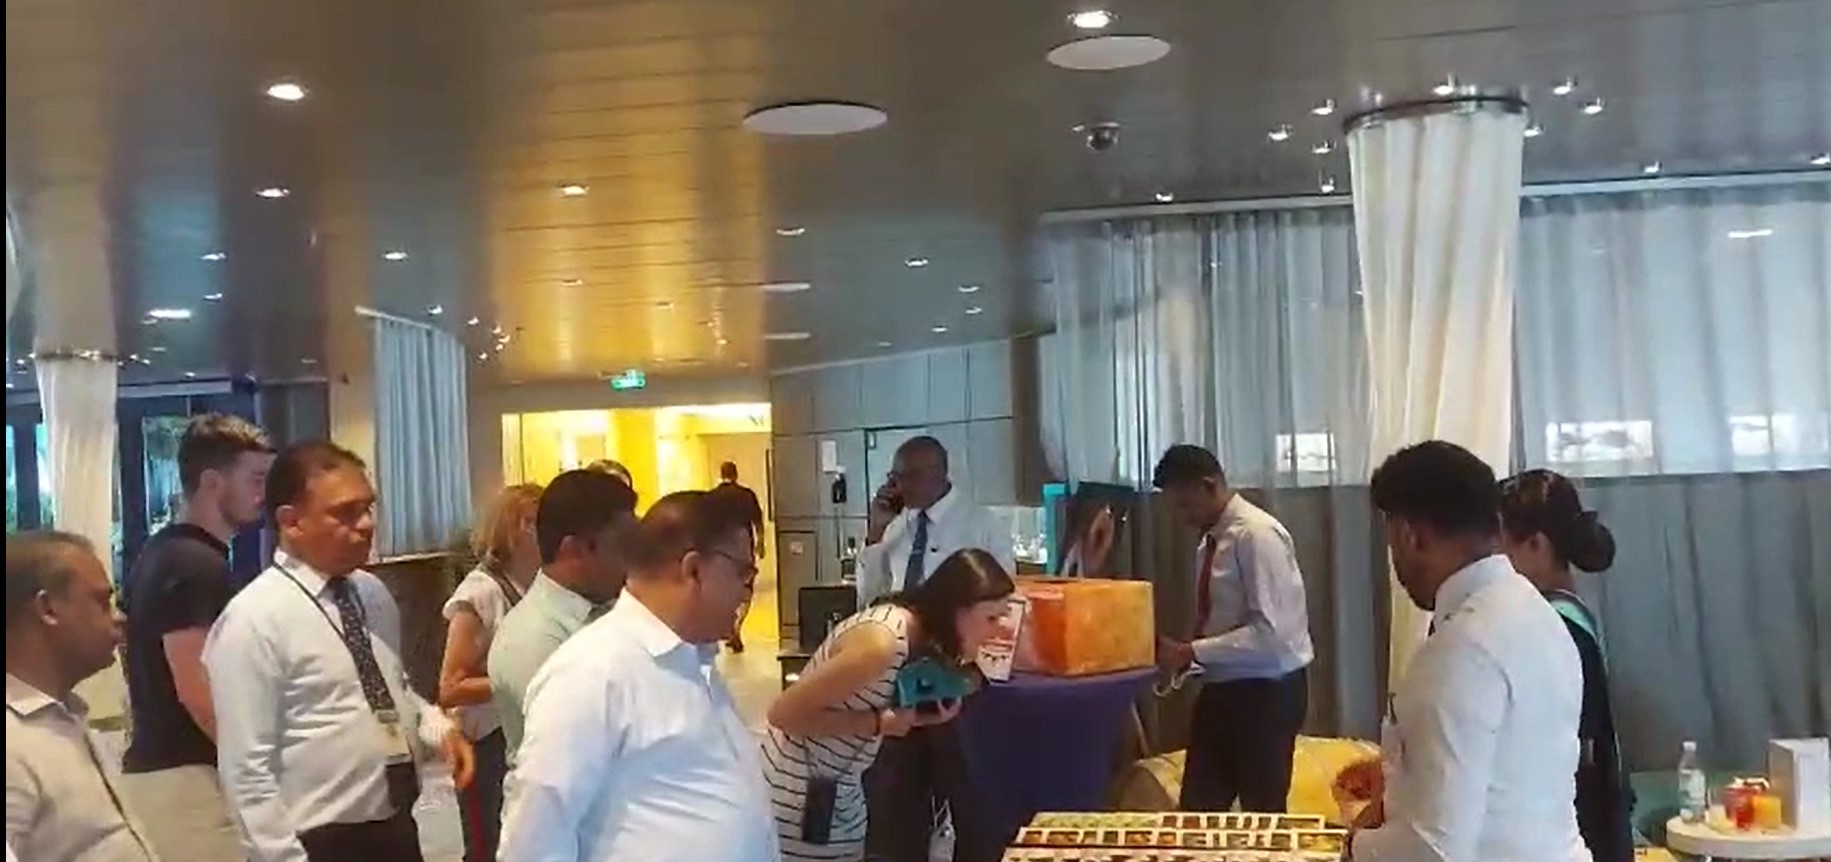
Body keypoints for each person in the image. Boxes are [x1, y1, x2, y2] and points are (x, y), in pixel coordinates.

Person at [204, 441, 474, 862]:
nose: (366, 524)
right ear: (291, 522)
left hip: (395, 826)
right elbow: (246, 771)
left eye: (368, 508)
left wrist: (435, 726)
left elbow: (392, 687)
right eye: (345, 513)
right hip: (318, 840)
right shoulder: (254, 619)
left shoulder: (372, 595)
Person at [1343, 441, 1590, 862]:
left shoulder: (1461, 649)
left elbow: (1434, 850)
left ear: (1409, 535)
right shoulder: (1539, 614)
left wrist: (1354, 846)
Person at [498, 490, 775, 862]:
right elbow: (533, 837)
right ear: (693, 570)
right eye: (743, 573)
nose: (746, 592)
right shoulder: (593, 671)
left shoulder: (692, 659)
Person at [763, 548, 1015, 862]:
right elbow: (784, 714)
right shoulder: (881, 644)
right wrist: (880, 723)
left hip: (842, 792)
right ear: (957, 610)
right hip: (800, 798)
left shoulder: (918, 639)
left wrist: (913, 720)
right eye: (990, 619)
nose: (997, 631)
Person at [117, 414, 272, 862]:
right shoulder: (193, 563)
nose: (263, 494)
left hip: (169, 770)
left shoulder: (166, 552)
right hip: (184, 777)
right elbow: (196, 687)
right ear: (212, 483)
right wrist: (255, 772)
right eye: (255, 479)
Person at [854, 436, 1012, 862]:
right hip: (898, 669)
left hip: (954, 675)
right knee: (895, 795)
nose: (896, 487)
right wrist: (875, 535)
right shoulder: (897, 528)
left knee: (965, 794)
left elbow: (1004, 608)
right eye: (893, 478)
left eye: (902, 477)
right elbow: (868, 600)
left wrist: (977, 672)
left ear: (935, 474)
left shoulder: (980, 526)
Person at [1151, 444, 1314, 813]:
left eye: (1186, 505)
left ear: (1210, 485)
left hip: (1267, 693)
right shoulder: (1212, 541)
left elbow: (1273, 636)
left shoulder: (1257, 536)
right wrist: (1186, 660)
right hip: (1224, 688)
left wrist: (1191, 652)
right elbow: (1221, 623)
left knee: (1262, 815)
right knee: (1197, 812)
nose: (1182, 518)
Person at [1500, 470, 1635, 862]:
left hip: (1578, 827)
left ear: (1536, 545)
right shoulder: (1567, 615)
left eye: (1501, 550)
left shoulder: (1556, 627)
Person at [5, 531, 157, 862]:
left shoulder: (64, 717)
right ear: (48, 609)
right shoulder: (12, 740)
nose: (119, 618)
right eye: (101, 603)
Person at [487, 468, 638, 762]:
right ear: (574, 550)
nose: (633, 560)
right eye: (623, 546)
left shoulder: (613, 608)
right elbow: (586, 746)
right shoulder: (532, 639)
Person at [437, 483, 542, 862]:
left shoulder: (538, 587)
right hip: (485, 743)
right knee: (488, 848)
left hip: (522, 735)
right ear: (514, 529)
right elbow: (450, 687)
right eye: (536, 522)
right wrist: (519, 678)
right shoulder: (480, 593)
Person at [715, 461, 766, 652]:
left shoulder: (713, 498)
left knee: (724, 589)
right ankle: (737, 626)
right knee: (746, 590)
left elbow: (707, 526)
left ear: (721, 474)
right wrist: (760, 543)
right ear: (736, 475)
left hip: (721, 550)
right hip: (744, 549)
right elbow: (757, 521)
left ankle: (730, 625)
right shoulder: (746, 495)